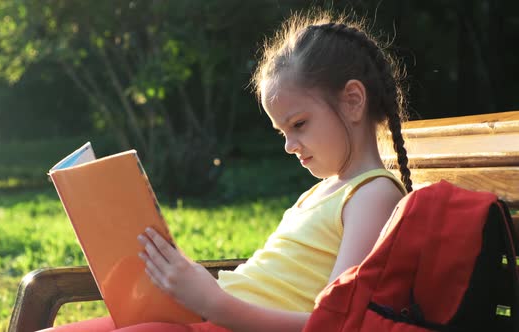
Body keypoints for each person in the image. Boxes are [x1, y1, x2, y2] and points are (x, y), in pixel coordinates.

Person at [41, 9, 413, 332]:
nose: (289, 145)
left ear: (352, 101)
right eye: (281, 132)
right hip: (205, 316)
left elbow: (334, 325)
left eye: (299, 124)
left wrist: (212, 301)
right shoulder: (322, 192)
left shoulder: (374, 195)